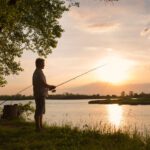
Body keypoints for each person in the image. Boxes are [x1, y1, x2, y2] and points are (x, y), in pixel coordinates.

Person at [32, 58, 56, 131]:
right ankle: (38, 128)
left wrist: (49, 89)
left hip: (41, 93)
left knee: (41, 111)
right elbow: (42, 83)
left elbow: (41, 85)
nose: (44, 65)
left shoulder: (39, 72)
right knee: (39, 111)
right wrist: (50, 86)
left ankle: (40, 126)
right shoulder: (38, 72)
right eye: (42, 63)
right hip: (39, 94)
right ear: (38, 64)